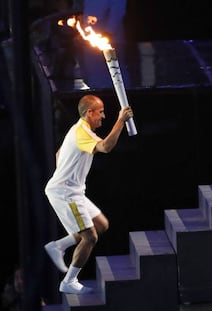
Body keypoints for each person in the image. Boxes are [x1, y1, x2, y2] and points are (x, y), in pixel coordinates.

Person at [44, 94, 134, 295]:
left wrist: (66, 174)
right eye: (100, 112)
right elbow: (106, 147)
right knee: (90, 237)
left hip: (73, 190)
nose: (103, 116)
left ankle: (58, 246)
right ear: (89, 113)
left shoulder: (77, 130)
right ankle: (69, 281)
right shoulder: (83, 133)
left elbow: (59, 154)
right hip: (66, 194)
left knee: (101, 225)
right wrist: (121, 120)